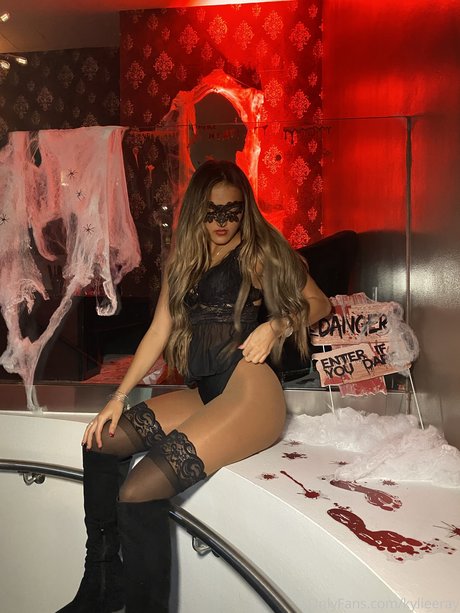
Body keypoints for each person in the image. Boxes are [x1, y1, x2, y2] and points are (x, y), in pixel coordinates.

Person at [57, 160, 331, 613]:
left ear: (244, 210)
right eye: (211, 212)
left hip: (250, 393)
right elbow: (158, 332)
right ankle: (104, 582)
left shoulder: (257, 251)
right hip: (208, 392)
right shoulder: (185, 261)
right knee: (100, 444)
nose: (222, 222)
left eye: (232, 211)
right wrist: (117, 397)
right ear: (196, 212)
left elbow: (318, 303)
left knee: (138, 490)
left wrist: (276, 326)